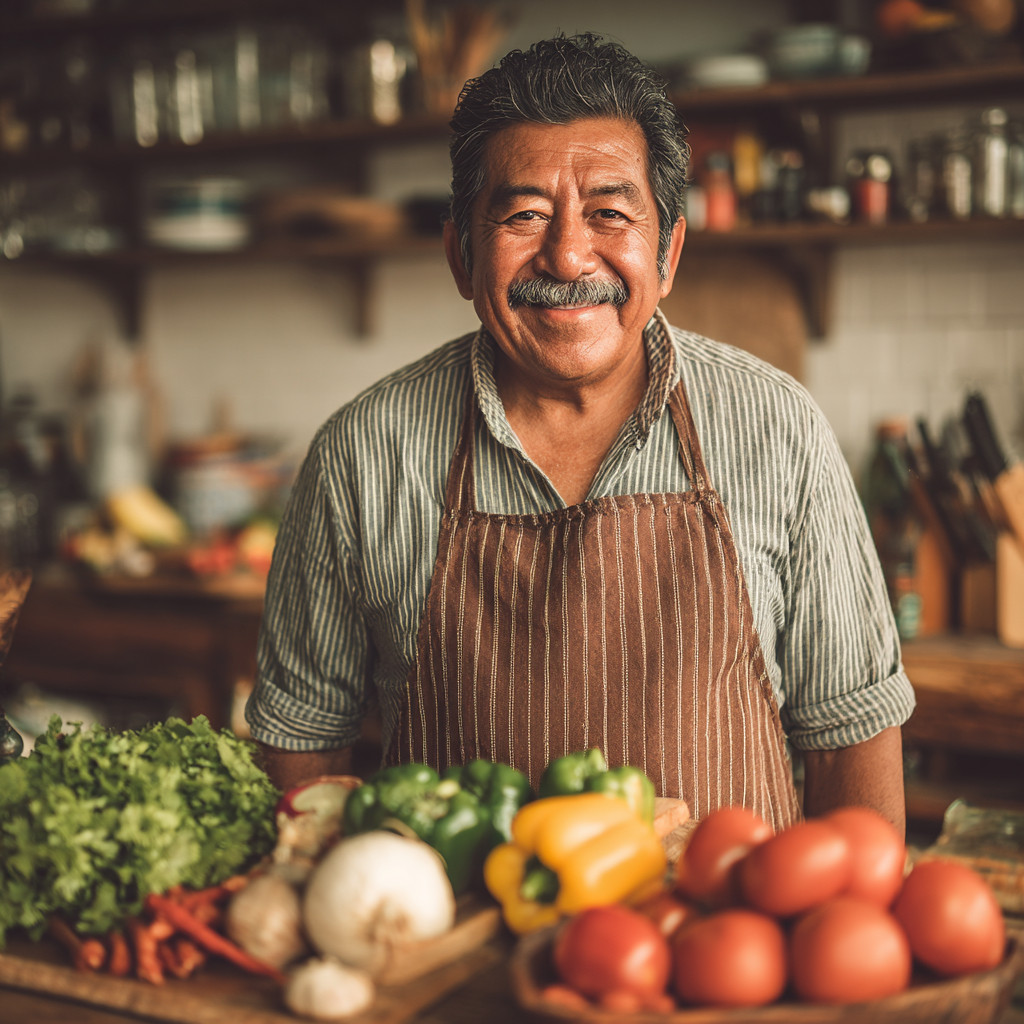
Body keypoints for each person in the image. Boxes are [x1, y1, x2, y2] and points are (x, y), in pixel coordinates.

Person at [247, 34, 914, 834]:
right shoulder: (361, 455)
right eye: (524, 214)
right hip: (454, 949)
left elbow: (852, 740)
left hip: (721, 946)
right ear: (462, 256)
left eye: (609, 213)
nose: (567, 255)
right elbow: (301, 752)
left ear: (667, 252)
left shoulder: (780, 430)